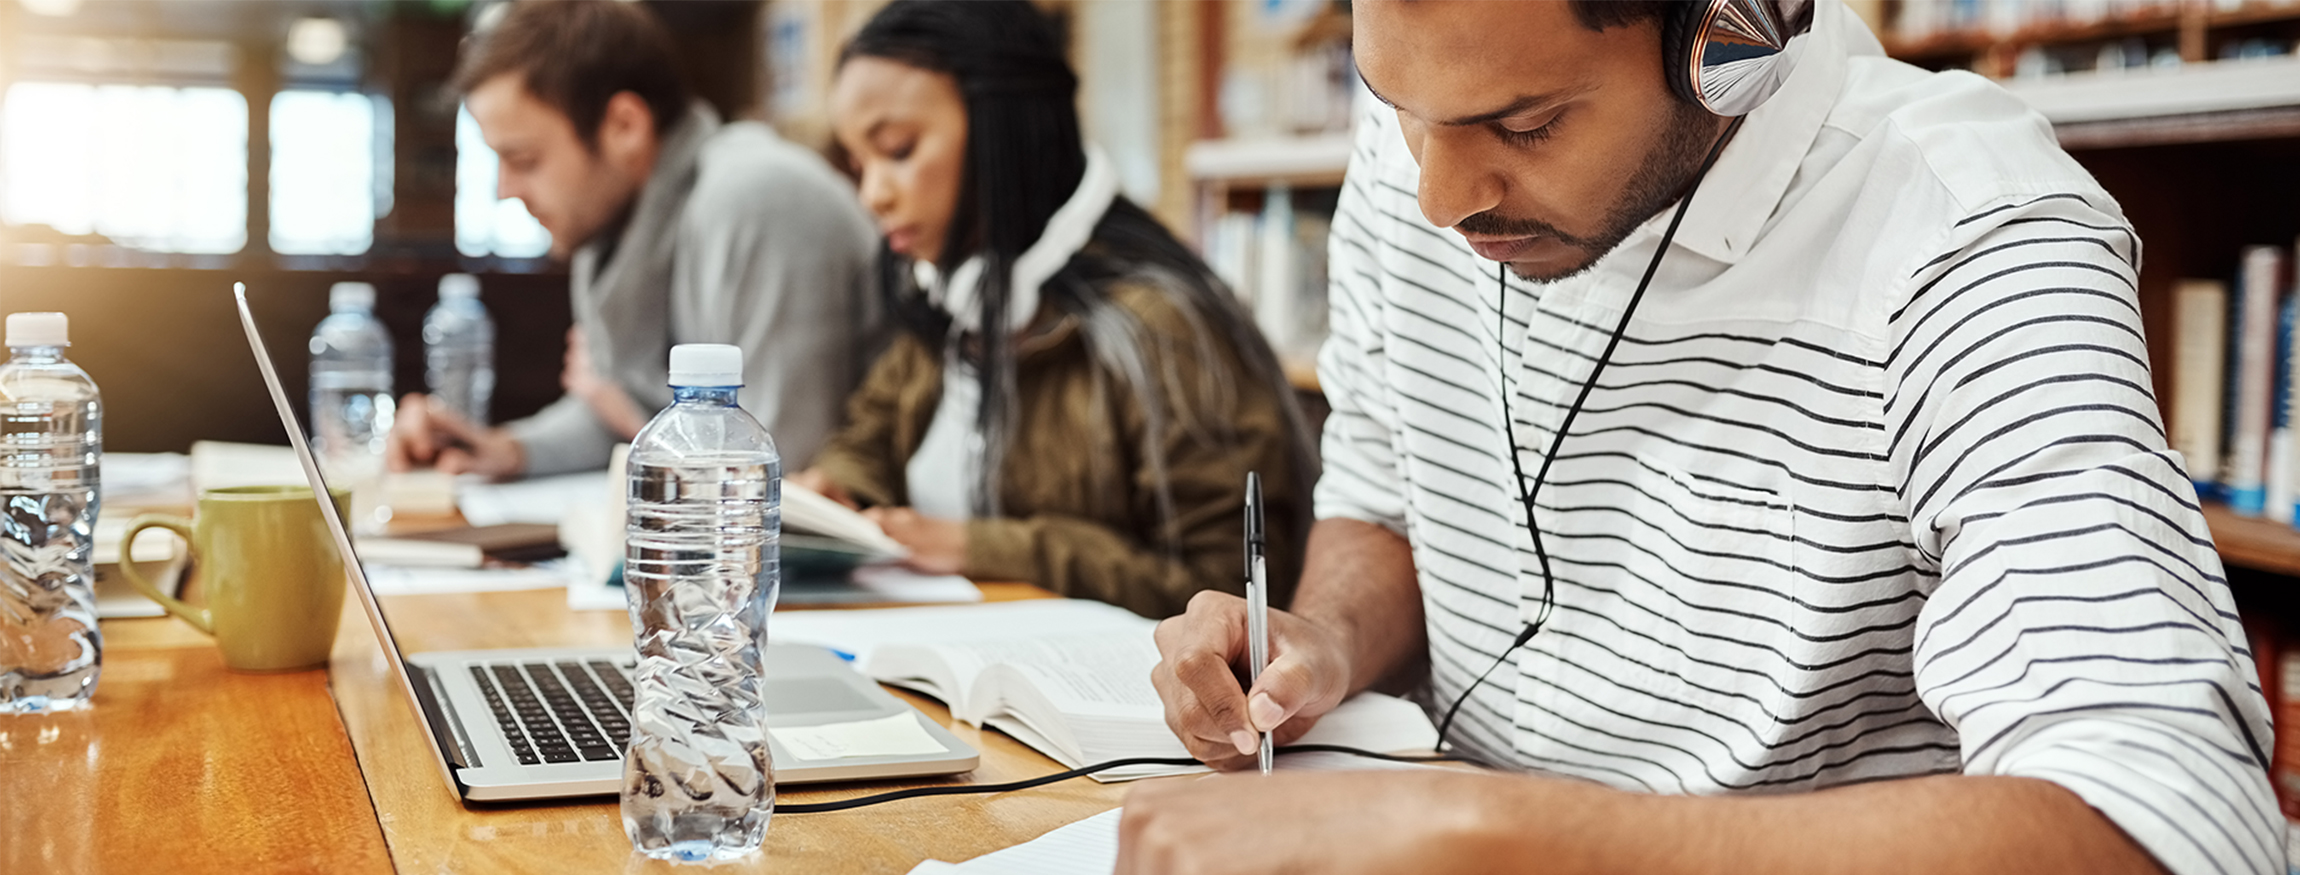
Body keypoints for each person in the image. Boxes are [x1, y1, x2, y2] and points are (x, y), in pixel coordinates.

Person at [1130, 2, 2275, 874]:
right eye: (1395, 109)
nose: (1438, 195)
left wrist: (1498, 831)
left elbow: (2173, 818)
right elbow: (1386, 503)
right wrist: (1321, 640)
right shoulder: (1425, 154)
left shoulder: (1969, 238)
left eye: (1523, 124)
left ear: (1731, 39)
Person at [789, 0, 1317, 619]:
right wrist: (837, 490)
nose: (872, 194)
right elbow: (868, 438)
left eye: (898, 149)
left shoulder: (1161, 326)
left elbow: (1233, 590)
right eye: (857, 164)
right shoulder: (948, 301)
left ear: (1002, 129)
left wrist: (981, 547)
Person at [388, 1, 882, 479]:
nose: (504, 191)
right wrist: (507, 450)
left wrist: (628, 415)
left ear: (624, 126)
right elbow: (609, 411)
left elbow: (776, 473)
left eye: (524, 160)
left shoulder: (759, 200)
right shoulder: (617, 231)